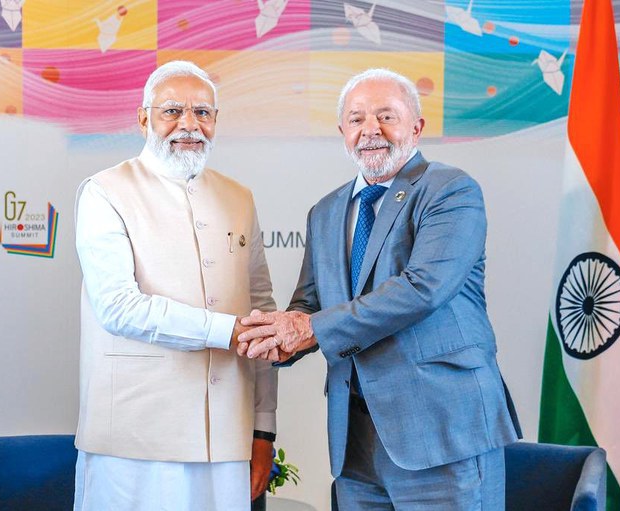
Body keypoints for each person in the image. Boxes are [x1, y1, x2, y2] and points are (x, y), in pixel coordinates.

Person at [237, 68, 521, 510]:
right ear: (342, 133)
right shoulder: (326, 211)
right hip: (355, 446)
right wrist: (278, 338)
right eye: (356, 119)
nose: (371, 130)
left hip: (442, 436)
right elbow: (310, 305)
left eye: (386, 116)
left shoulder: (450, 190)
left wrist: (309, 328)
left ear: (417, 127)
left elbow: (421, 290)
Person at [73, 60, 277, 511]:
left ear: (217, 121)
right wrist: (227, 331)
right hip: (134, 436)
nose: (189, 124)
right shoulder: (104, 191)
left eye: (203, 112)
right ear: (143, 117)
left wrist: (263, 429)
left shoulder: (238, 196)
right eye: (172, 111)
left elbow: (262, 311)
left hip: (227, 436)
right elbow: (118, 307)